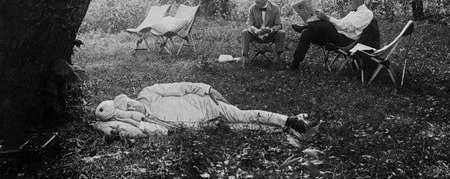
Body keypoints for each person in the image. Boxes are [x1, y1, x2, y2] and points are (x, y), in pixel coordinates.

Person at [94, 82, 310, 137]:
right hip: (203, 126)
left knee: (241, 114)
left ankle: (290, 120)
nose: (134, 105)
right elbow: (160, 132)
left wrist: (208, 89)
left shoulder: (149, 92)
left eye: (130, 102)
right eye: (129, 109)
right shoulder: (148, 120)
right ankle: (284, 130)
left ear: (130, 98)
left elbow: (183, 86)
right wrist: (133, 123)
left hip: (207, 105)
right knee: (245, 127)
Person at [290, 0, 373, 71]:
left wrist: (326, 18)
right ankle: (295, 64)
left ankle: (305, 26)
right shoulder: (352, 12)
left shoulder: (367, 13)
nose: (349, 1)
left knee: (326, 24)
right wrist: (323, 18)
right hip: (336, 37)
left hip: (346, 42)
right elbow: (340, 24)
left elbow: (347, 27)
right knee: (307, 33)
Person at [242, 0, 285, 66]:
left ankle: (277, 56)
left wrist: (271, 30)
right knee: (245, 32)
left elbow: (279, 25)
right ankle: (245, 57)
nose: (255, 1)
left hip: (270, 35)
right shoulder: (252, 8)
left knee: (281, 33)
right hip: (256, 34)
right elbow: (249, 24)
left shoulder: (275, 8)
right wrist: (256, 31)